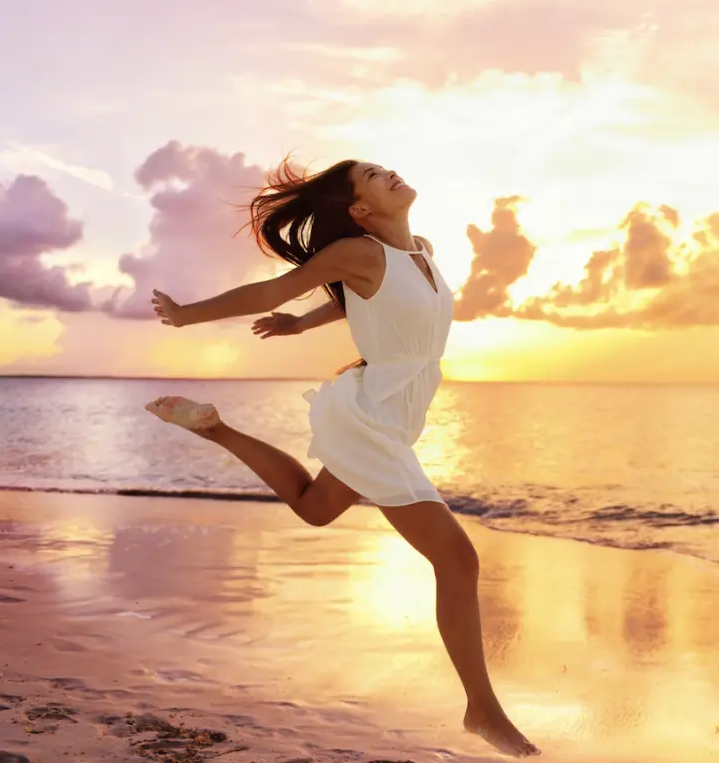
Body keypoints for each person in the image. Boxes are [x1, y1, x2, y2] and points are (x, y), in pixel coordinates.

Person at [144, 159, 540, 758]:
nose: (393, 175)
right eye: (377, 178)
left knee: (316, 507)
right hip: (375, 413)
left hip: (399, 410)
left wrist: (304, 325)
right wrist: (185, 314)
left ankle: (216, 428)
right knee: (457, 561)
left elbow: (376, 303)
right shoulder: (355, 251)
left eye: (387, 169)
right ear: (359, 211)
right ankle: (482, 710)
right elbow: (270, 289)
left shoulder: (421, 250)